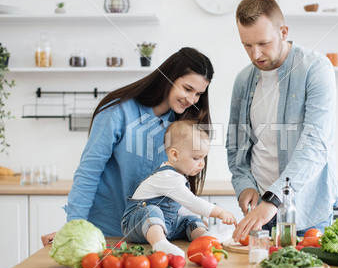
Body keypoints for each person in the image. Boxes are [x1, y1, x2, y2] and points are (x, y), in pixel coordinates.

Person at [41, 47, 214, 245]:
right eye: (187, 89)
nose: (191, 100)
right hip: (106, 232)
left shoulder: (183, 127)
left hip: (154, 235)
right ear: (167, 77)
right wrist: (74, 228)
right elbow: (89, 172)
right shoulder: (118, 111)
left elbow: (176, 184)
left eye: (198, 94)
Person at [228, 0, 338, 242]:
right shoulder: (243, 80)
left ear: (283, 31)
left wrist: (275, 197)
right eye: (247, 45)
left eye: (263, 43)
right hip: (260, 214)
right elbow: (235, 143)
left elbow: (316, 143)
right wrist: (244, 184)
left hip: (307, 212)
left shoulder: (316, 68)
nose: (256, 54)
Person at [121, 120, 236, 256]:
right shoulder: (168, 176)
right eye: (196, 158)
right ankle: (160, 244)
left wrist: (196, 220)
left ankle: (205, 237)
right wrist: (220, 212)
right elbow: (192, 202)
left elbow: (180, 207)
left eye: (203, 158)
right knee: (152, 210)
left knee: (190, 219)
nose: (202, 164)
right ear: (175, 155)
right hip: (136, 225)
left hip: (166, 225)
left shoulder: (177, 177)